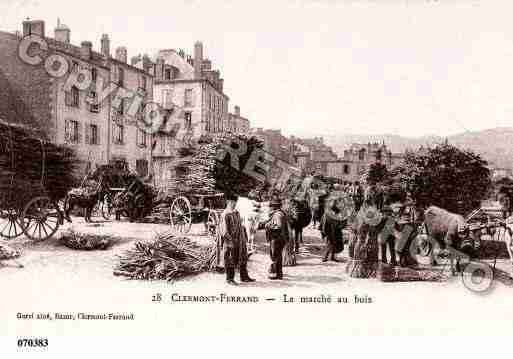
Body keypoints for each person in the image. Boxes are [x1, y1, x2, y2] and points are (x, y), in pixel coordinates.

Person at [216, 192, 255, 285]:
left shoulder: (236, 213)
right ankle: (229, 279)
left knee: (242, 256)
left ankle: (244, 276)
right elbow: (224, 231)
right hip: (230, 241)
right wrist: (230, 241)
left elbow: (240, 226)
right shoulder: (225, 214)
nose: (234, 204)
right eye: (232, 203)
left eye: (235, 203)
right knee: (230, 259)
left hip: (240, 240)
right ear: (228, 202)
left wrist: (244, 237)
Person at [265, 196, 289, 280]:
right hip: (281, 238)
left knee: (275, 256)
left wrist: (268, 225)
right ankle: (279, 274)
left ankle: (274, 274)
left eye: (271, 206)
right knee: (278, 256)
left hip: (276, 238)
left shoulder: (278, 214)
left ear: (275, 206)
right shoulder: (281, 213)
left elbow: (278, 226)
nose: (270, 207)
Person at [321, 197, 346, 262]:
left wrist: (341, 225)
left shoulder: (338, 211)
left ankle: (332, 257)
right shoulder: (327, 212)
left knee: (335, 243)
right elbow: (324, 221)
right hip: (329, 230)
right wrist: (324, 231)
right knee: (329, 243)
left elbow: (341, 219)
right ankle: (325, 257)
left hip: (336, 230)